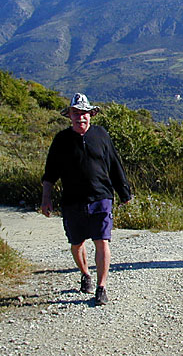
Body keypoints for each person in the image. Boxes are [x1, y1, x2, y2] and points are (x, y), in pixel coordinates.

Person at [41, 93, 131, 306]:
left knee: (102, 240)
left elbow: (114, 164)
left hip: (101, 197)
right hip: (72, 200)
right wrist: (46, 198)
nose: (80, 117)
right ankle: (85, 274)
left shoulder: (101, 135)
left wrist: (124, 193)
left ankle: (101, 287)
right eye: (76, 113)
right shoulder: (61, 140)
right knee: (76, 242)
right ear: (70, 115)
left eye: (84, 113)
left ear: (91, 114)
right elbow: (50, 172)